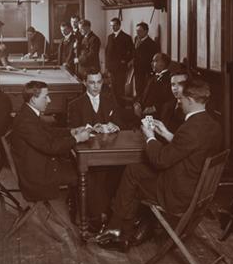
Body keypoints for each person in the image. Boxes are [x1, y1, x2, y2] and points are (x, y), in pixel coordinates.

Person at [95, 79, 222, 252]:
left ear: (191, 100)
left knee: (132, 173)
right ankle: (122, 230)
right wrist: (167, 134)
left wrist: (150, 136)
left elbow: (160, 160)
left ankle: (119, 232)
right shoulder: (212, 125)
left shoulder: (190, 128)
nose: (179, 103)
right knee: (135, 171)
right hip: (196, 190)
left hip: (178, 195)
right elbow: (190, 148)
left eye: (181, 99)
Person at [11, 81, 91, 204]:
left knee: (78, 166)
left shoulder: (28, 113)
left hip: (38, 166)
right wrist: (77, 138)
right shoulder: (26, 121)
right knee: (85, 173)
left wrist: (72, 131)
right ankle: (82, 211)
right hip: (37, 177)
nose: (49, 100)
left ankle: (75, 205)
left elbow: (49, 131)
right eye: (45, 97)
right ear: (33, 99)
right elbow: (51, 147)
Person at [66, 69, 123, 232]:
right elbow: (72, 130)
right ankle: (96, 218)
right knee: (93, 175)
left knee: (119, 172)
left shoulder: (110, 101)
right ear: (85, 83)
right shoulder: (75, 105)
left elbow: (121, 123)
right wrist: (90, 129)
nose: (96, 86)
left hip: (109, 152)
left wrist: (115, 126)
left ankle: (109, 214)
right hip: (86, 154)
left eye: (98, 82)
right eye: (91, 82)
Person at [132, 53, 174, 121]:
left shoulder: (169, 79)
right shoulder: (151, 78)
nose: (151, 63)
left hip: (155, 116)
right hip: (141, 111)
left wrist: (154, 108)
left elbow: (168, 99)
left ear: (163, 63)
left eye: (155, 61)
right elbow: (142, 94)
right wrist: (137, 104)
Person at [104, 17, 134, 103]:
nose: (112, 27)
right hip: (111, 68)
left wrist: (125, 60)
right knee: (113, 88)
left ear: (119, 25)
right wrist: (107, 67)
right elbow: (107, 52)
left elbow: (132, 52)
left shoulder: (126, 37)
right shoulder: (110, 37)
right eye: (111, 26)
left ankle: (121, 107)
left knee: (120, 89)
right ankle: (115, 106)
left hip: (120, 68)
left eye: (114, 25)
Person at [157, 68, 189, 137]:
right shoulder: (167, 106)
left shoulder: (195, 108)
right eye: (173, 84)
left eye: (180, 84)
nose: (175, 88)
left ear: (189, 86)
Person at [131, 22, 160, 97]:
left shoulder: (152, 44)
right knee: (138, 88)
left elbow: (152, 60)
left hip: (146, 72)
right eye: (137, 31)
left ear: (146, 31)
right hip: (137, 69)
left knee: (145, 91)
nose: (138, 33)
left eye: (140, 31)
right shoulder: (136, 39)